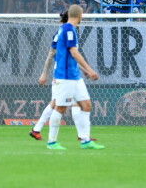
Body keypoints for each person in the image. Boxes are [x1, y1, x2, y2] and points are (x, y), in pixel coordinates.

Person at [29, 11, 96, 142]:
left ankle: (82, 136)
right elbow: (51, 54)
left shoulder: (66, 32)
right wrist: (44, 73)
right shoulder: (64, 32)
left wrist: (83, 70)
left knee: (70, 103)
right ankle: (48, 136)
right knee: (58, 104)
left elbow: (71, 56)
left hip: (71, 74)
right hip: (62, 76)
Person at [46, 5, 104, 150]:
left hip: (74, 75)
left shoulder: (66, 29)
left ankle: (85, 140)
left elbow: (69, 54)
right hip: (65, 76)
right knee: (60, 108)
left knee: (86, 105)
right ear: (80, 15)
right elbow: (74, 53)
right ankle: (51, 142)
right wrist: (90, 70)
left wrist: (83, 69)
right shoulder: (68, 29)